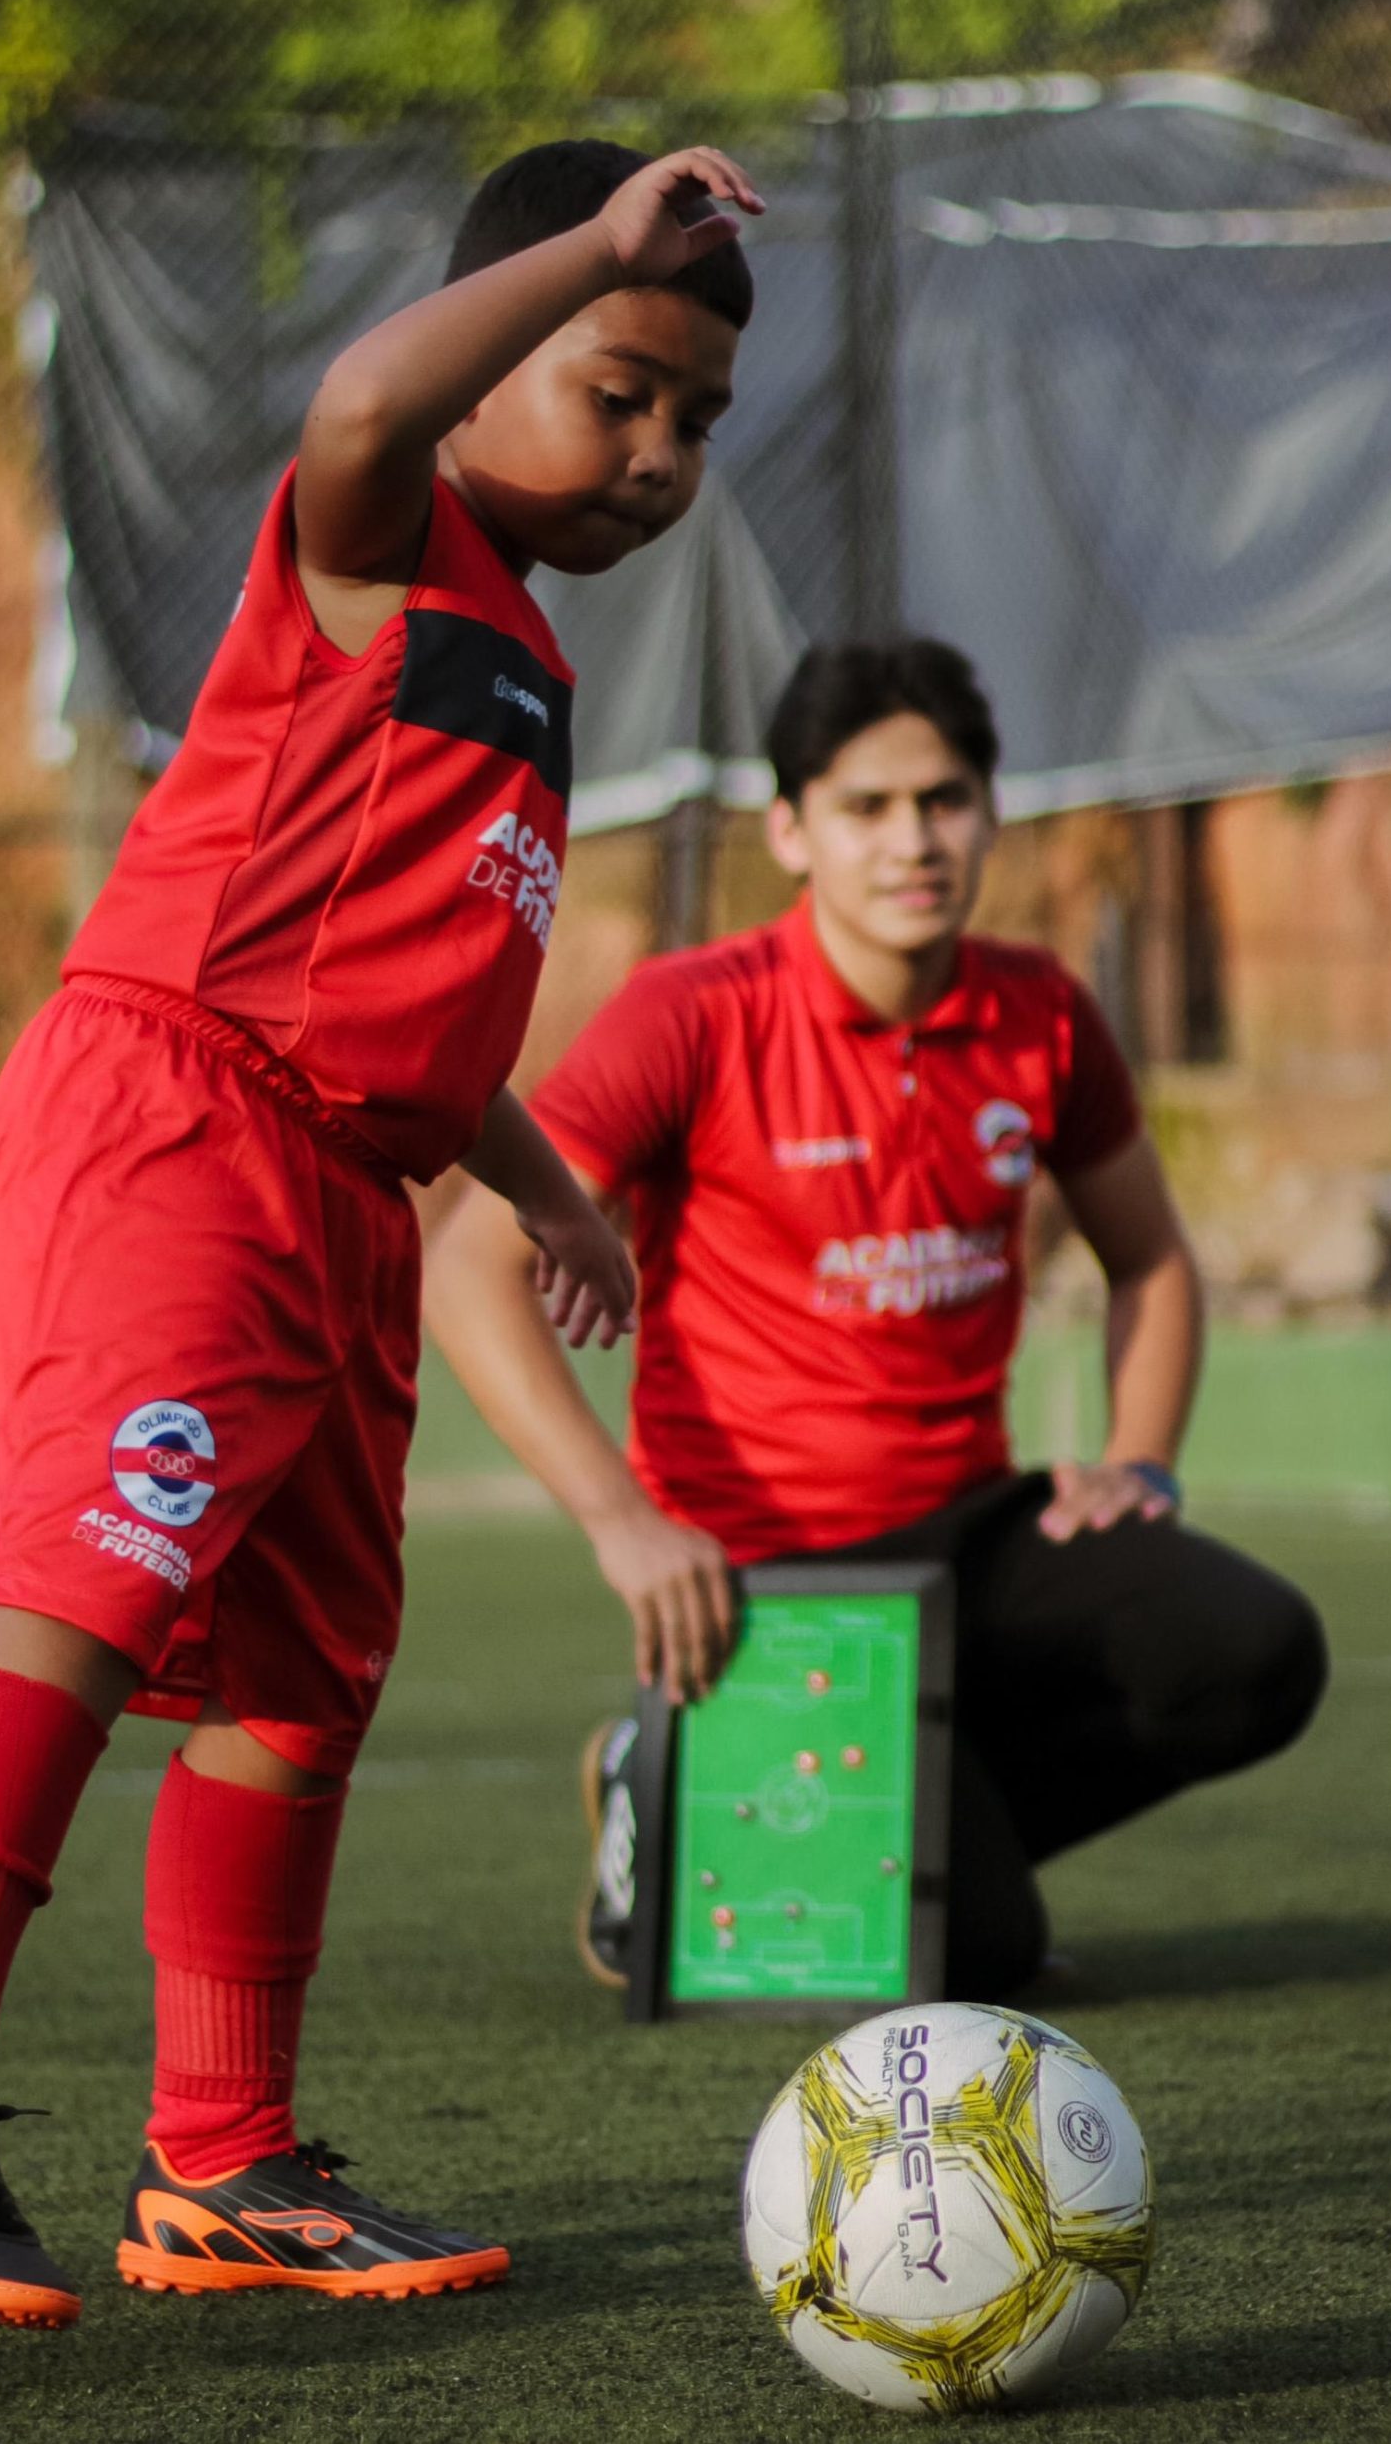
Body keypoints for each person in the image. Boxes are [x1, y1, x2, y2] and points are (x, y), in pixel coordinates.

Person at [0, 139, 762, 2328]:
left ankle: (226, 2160)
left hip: (343, 1194)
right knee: (94, 1579)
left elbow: (402, 1001)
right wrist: (599, 244)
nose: (658, 454)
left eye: (694, 421)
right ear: (498, 346)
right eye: (616, 388)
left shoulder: (518, 661)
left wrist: (535, 1176)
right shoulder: (380, 540)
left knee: (309, 1679)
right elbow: (350, 412)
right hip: (184, 1121)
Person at [425, 638, 1327, 2001]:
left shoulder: (1044, 1019)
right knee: (981, 1955)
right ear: (791, 829)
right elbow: (465, 1268)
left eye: (944, 799)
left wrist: (1138, 1465)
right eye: (866, 808)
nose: (914, 841)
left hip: (972, 1541)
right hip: (768, 1585)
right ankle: (663, 1782)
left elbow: (1152, 1261)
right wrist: (624, 1523)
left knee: (1257, 1654)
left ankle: (822, 1820)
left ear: (989, 811)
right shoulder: (696, 1014)